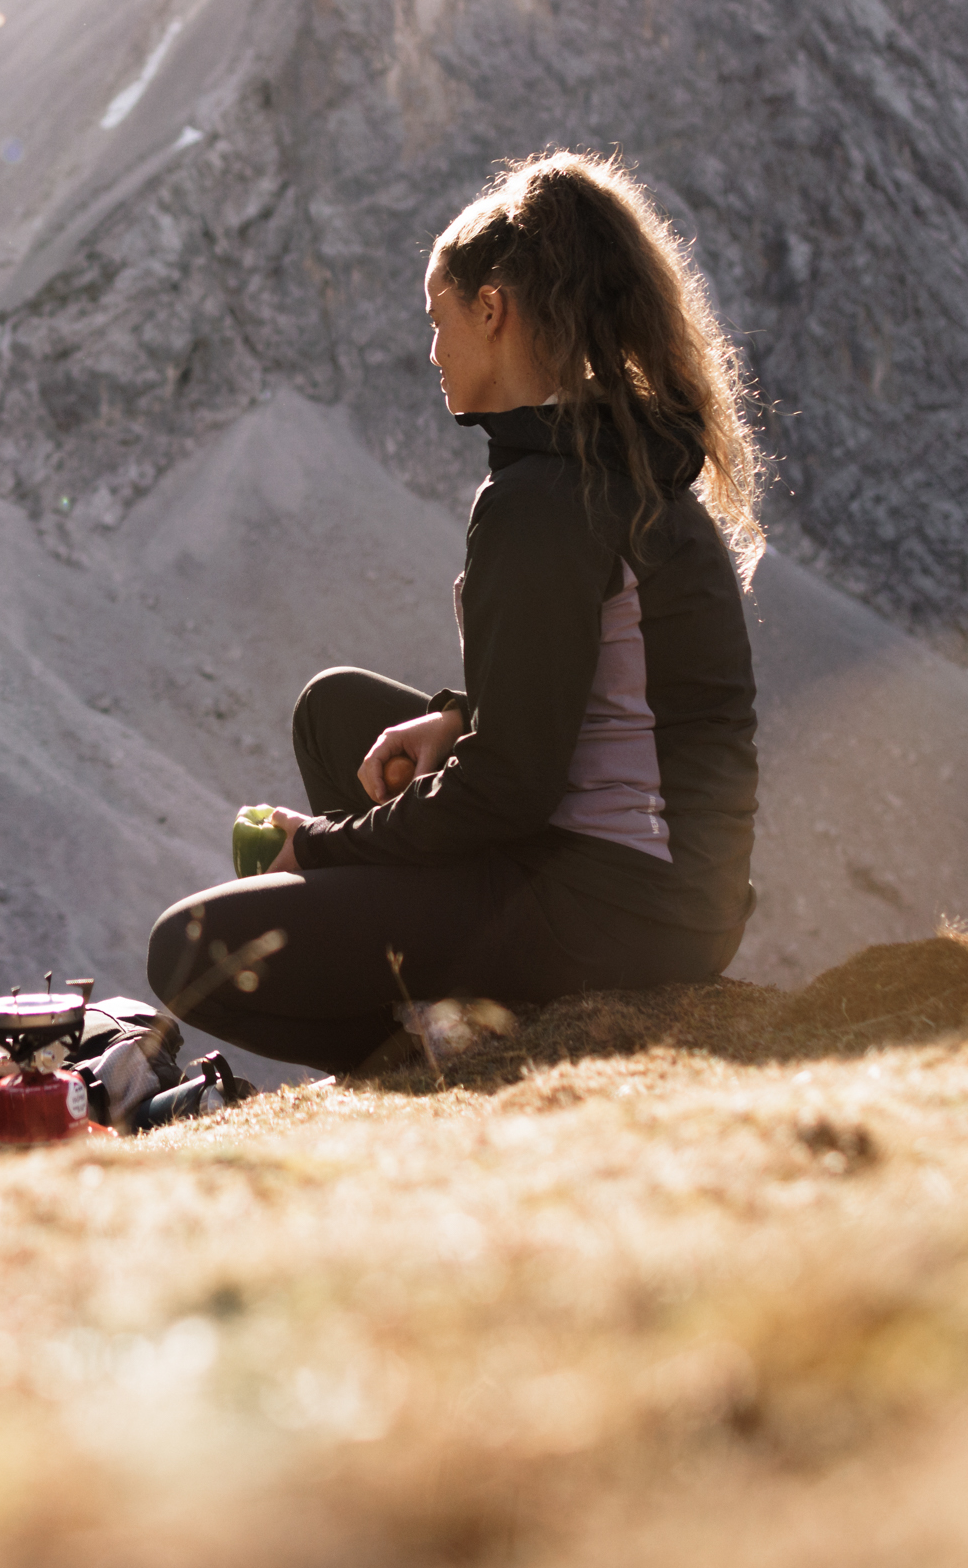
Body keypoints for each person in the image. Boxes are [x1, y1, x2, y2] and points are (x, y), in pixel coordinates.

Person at [146, 151, 762, 1071]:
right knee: (337, 712)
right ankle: (429, 990)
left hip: (618, 904)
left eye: (439, 320)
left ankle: (434, 1055)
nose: (433, 351)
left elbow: (511, 786)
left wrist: (322, 847)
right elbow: (602, 698)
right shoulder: (614, 460)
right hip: (672, 888)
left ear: (492, 309)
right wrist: (458, 717)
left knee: (187, 951)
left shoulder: (542, 499)